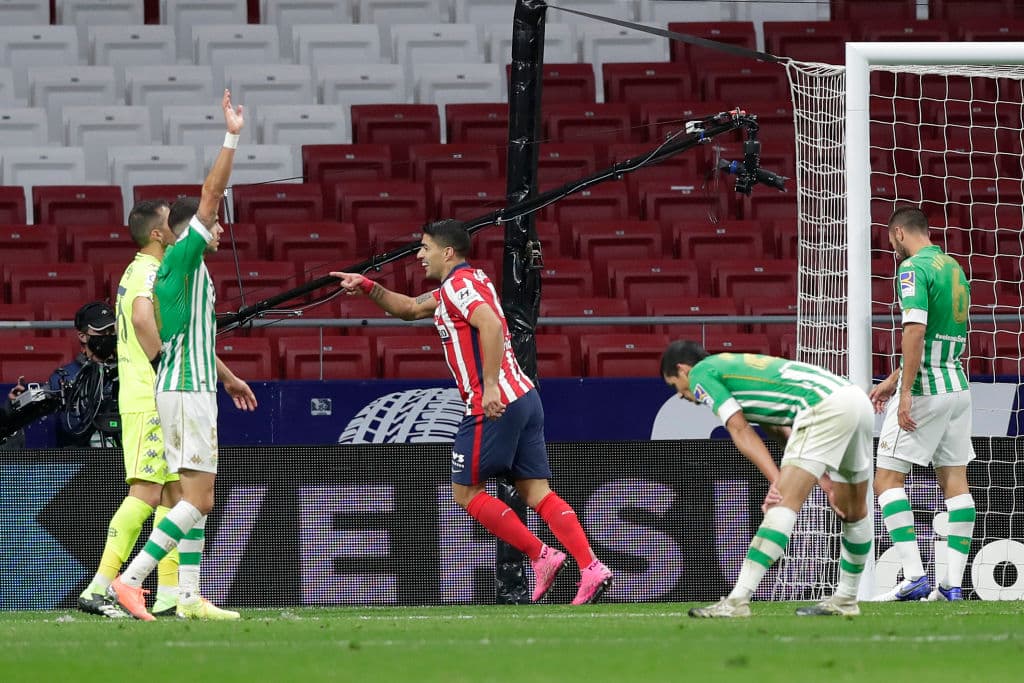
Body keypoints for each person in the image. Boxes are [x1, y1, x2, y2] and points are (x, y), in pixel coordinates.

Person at [331, 219, 614, 605]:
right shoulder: (467, 282)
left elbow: (492, 325)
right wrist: (366, 285)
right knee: (537, 491)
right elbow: (410, 308)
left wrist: (491, 387)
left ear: (447, 252)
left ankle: (542, 556)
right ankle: (591, 567)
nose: (418, 255)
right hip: (526, 397)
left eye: (424, 247)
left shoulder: (459, 287)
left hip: (494, 403)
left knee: (465, 492)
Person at [108, 90, 258, 621]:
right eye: (214, 224)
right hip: (185, 390)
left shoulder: (181, 270)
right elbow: (211, 193)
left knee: (191, 499)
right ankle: (130, 582)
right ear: (189, 230)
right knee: (197, 500)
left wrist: (230, 377)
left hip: (185, 382)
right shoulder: (187, 257)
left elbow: (185, 338)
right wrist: (232, 135)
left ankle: (190, 597)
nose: (221, 229)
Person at [661, 341, 875, 618]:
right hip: (855, 400)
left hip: (823, 407)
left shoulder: (702, 372)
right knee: (853, 511)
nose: (682, 395)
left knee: (780, 506)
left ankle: (737, 601)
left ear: (683, 369)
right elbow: (778, 427)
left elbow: (739, 429)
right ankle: (847, 598)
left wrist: (777, 481)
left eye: (675, 385)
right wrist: (822, 478)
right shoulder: (735, 367)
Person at [77, 199, 188, 618]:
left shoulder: (136, 268)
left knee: (175, 494)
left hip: (155, 395)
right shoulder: (149, 271)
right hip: (148, 396)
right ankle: (99, 587)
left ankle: (169, 594)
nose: (177, 228)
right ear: (157, 234)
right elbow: (144, 322)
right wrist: (165, 367)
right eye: (169, 223)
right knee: (145, 491)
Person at [870, 207, 974, 602]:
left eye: (890, 240)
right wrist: (893, 380)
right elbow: (937, 338)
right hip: (958, 387)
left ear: (899, 233)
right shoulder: (954, 268)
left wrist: (906, 390)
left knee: (887, 480)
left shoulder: (912, 269)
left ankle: (914, 576)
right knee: (955, 483)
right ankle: (952, 586)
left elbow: (914, 330)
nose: (892, 248)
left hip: (927, 390)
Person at [49, 302, 119, 448]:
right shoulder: (65, 377)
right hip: (81, 460)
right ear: (82, 336)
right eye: (101, 332)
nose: (108, 336)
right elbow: (69, 428)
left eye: (111, 330)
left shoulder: (128, 372)